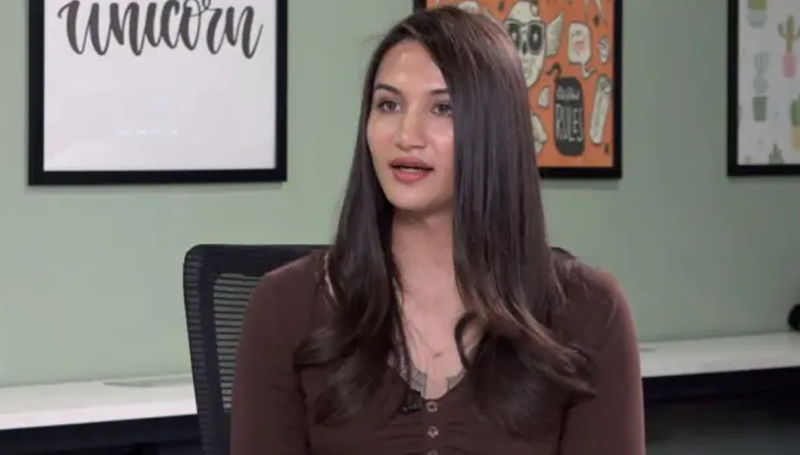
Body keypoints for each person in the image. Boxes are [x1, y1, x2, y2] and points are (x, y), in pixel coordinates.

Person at [231, 5, 644, 455]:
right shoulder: (284, 306)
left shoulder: (589, 310)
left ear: (494, 131)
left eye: (442, 108)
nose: (407, 135)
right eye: (389, 105)